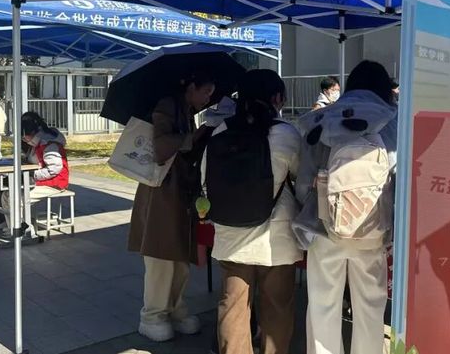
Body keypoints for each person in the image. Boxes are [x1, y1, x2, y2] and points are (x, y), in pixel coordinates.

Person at [294, 60, 398, 354]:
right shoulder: (394, 121)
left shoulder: (321, 120)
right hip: (374, 229)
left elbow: (303, 184)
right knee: (371, 307)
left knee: (323, 305)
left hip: (325, 228)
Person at [202, 69, 302, 354]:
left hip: (230, 235)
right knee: (277, 308)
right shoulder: (286, 134)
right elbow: (302, 180)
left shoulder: (220, 131)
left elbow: (205, 181)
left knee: (232, 307)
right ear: (277, 98)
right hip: (276, 239)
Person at [128, 72, 216, 342]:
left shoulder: (185, 110)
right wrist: (196, 134)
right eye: (206, 92)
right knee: (162, 257)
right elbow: (162, 146)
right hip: (161, 193)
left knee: (180, 256)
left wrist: (204, 133)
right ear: (192, 87)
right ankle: (153, 316)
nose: (208, 99)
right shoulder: (167, 105)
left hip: (179, 191)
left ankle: (175, 309)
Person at [0, 112, 70, 236]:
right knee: (7, 195)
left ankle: (24, 229)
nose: (23, 139)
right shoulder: (35, 143)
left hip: (54, 183)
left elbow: (54, 169)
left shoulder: (49, 144)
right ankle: (12, 224)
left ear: (31, 132)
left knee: (18, 198)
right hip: (40, 180)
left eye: (23, 136)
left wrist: (32, 175)